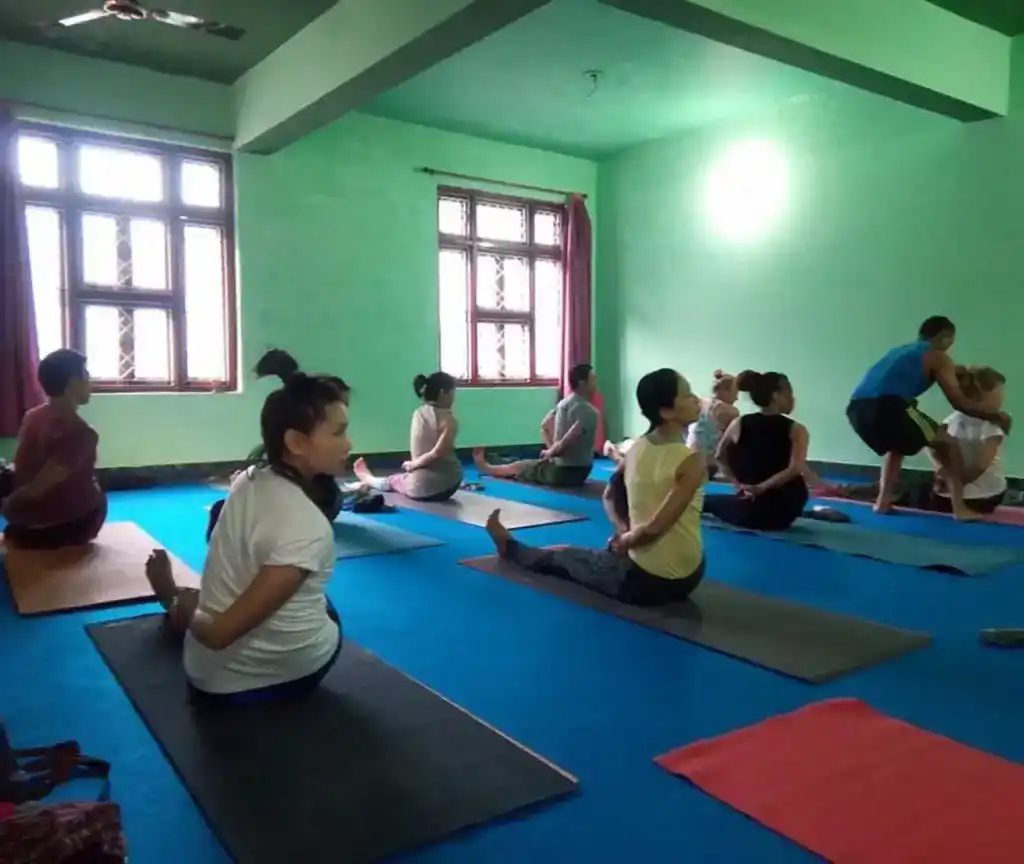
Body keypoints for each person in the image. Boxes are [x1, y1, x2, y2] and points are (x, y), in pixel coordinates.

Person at [146, 349, 349, 706]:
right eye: (339, 433)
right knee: (329, 612)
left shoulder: (247, 479)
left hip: (201, 667)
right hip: (251, 684)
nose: (348, 444)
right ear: (295, 443)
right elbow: (218, 635)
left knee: (296, 585)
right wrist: (172, 596)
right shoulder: (308, 527)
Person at [484, 368, 706, 606]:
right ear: (666, 411)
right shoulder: (689, 459)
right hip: (691, 575)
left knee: (563, 554)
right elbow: (618, 500)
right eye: (687, 394)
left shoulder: (637, 449)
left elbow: (648, 524)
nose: (696, 399)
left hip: (645, 580)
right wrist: (625, 533)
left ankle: (510, 547)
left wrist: (623, 539)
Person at [847, 316, 1012, 519]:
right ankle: (960, 510)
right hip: (890, 407)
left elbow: (951, 372)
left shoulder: (902, 351)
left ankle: (883, 501)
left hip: (856, 409)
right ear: (945, 337)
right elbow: (959, 403)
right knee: (949, 445)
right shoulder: (938, 356)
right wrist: (995, 415)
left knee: (896, 447)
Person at [2, 349, 106, 550]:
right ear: (72, 384)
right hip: (61, 523)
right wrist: (10, 503)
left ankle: (28, 532)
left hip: (23, 519)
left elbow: (23, 468)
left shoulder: (33, 416)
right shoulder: (81, 433)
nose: (90, 383)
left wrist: (12, 509)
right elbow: (38, 488)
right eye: (86, 377)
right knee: (98, 496)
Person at [703, 371, 811, 531]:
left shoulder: (739, 423)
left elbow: (720, 456)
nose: (793, 399)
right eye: (789, 393)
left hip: (753, 505)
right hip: (788, 508)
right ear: (775, 396)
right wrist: (761, 488)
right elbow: (795, 468)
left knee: (703, 501)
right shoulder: (798, 429)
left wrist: (740, 485)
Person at [475, 363, 600, 487]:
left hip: (564, 472)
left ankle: (487, 467)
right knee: (525, 465)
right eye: (593, 380)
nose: (595, 384)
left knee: (520, 466)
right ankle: (488, 468)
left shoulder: (563, 404)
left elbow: (546, 428)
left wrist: (550, 451)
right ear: (582, 383)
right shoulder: (590, 412)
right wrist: (551, 452)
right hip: (577, 472)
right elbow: (566, 442)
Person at [353, 372, 462, 502]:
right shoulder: (449, 420)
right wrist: (413, 465)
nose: (454, 398)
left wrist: (413, 465)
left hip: (415, 489)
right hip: (446, 485)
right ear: (443, 393)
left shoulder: (418, 413)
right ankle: (370, 479)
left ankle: (370, 480)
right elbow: (437, 452)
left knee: (397, 480)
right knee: (405, 478)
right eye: (453, 393)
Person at [928, 366, 1007, 515]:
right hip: (984, 497)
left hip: (945, 497)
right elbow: (981, 466)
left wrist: (944, 481)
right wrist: (959, 484)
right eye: (999, 392)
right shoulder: (991, 425)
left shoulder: (951, 420)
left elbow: (934, 451)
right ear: (980, 396)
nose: (1002, 397)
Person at [686, 369, 740, 479]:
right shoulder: (730, 411)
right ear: (724, 391)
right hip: (707, 465)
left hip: (688, 457)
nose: (737, 398)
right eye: (735, 394)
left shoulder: (699, 402)